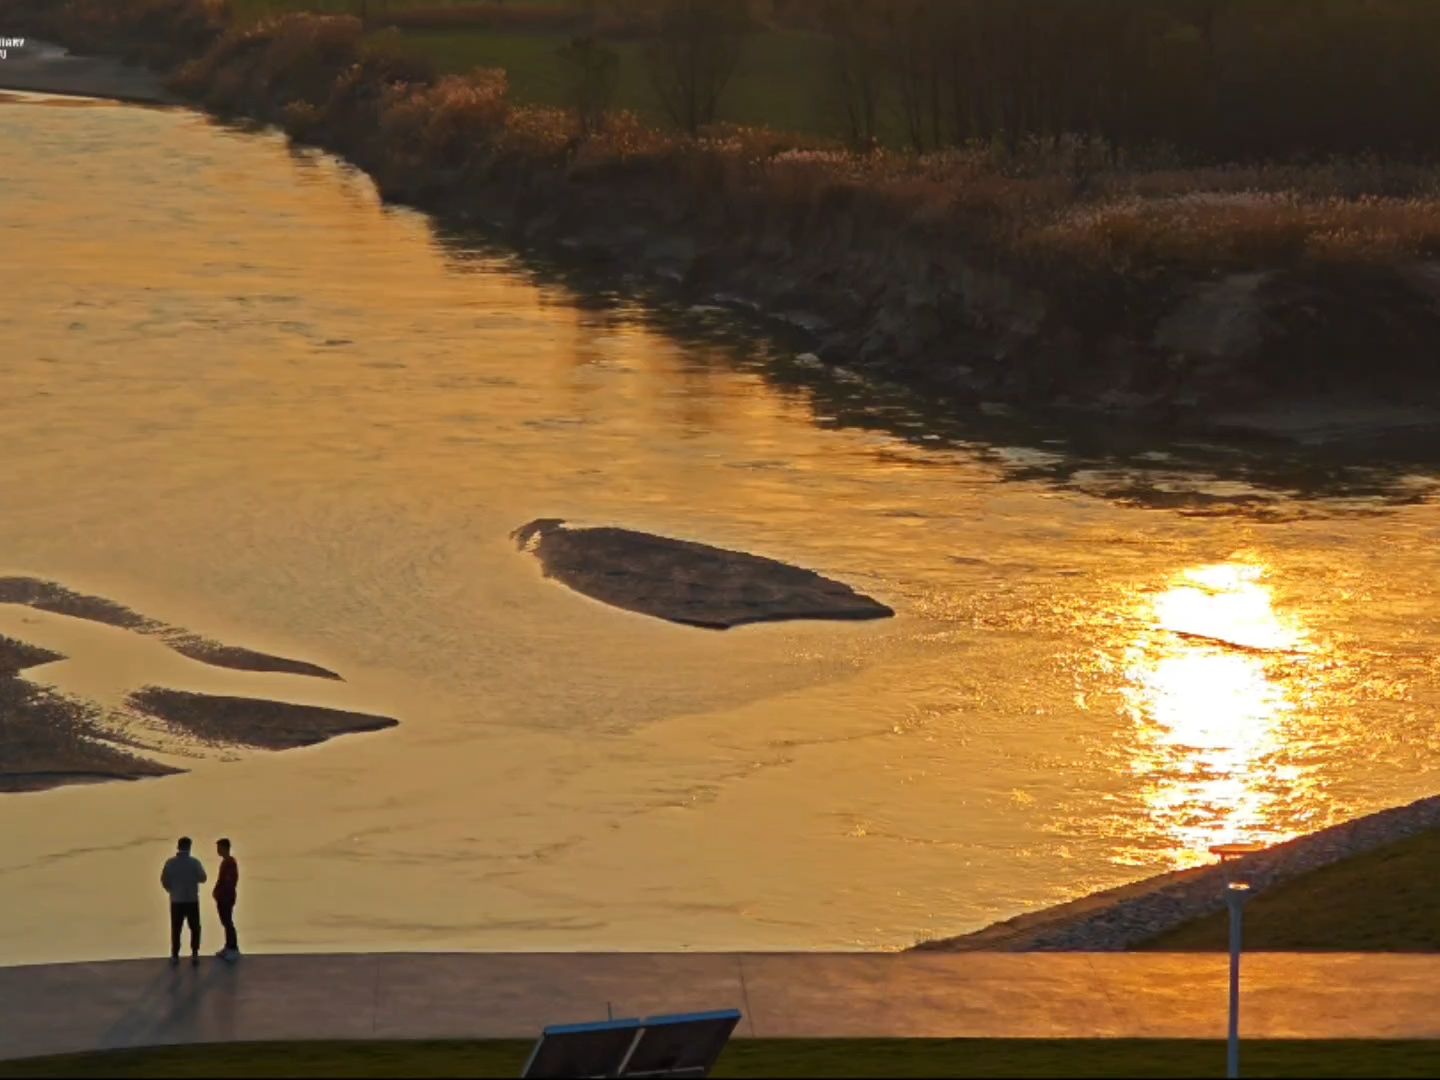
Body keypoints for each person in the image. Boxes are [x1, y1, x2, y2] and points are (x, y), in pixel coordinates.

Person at [160, 837, 207, 966]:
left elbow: (164, 880)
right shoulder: (194, 862)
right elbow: (203, 878)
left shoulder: (170, 863)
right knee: (195, 928)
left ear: (178, 846)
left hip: (176, 900)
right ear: (189, 847)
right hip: (192, 899)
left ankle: (175, 955)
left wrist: (171, 890)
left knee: (176, 928)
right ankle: (195, 954)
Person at [213, 837, 240, 961]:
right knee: (226, 922)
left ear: (225, 848)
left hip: (226, 898)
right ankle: (228, 946)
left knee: (228, 922)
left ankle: (233, 948)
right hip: (223, 897)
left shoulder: (229, 862)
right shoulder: (226, 861)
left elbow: (229, 881)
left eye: (219, 848)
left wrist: (221, 894)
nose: (217, 850)